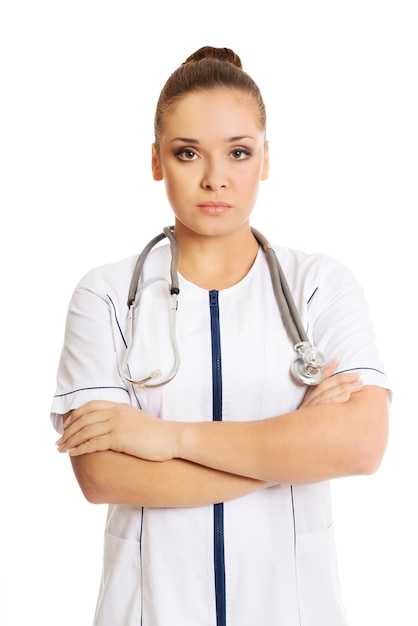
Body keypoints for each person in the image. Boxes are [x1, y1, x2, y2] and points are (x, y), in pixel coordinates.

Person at [52, 46, 390, 626]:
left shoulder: (319, 286)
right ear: (157, 160)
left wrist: (165, 438)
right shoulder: (106, 295)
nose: (215, 178)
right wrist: (297, 448)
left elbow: (359, 445)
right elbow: (103, 474)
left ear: (265, 160)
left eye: (238, 152)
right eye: (188, 153)